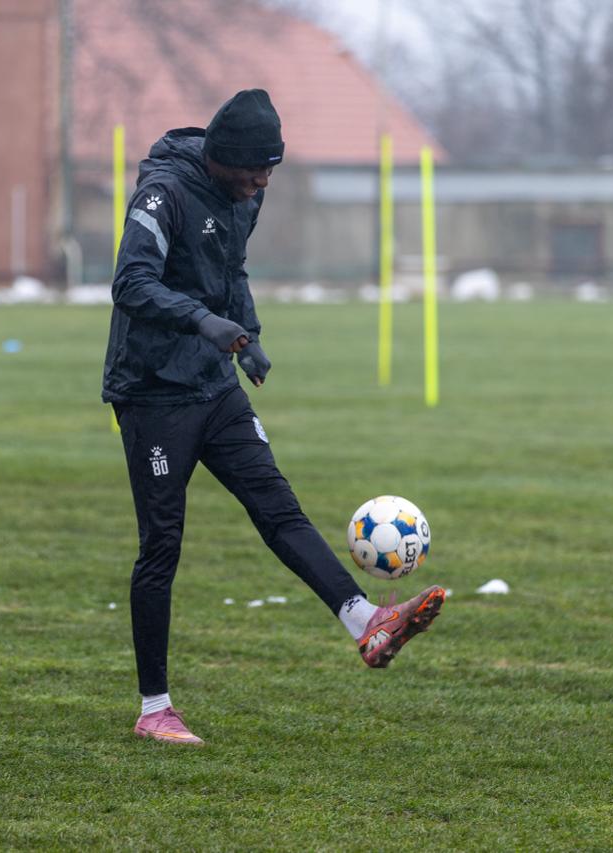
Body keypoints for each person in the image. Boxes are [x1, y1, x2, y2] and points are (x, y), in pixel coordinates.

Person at [103, 89, 446, 746]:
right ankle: (154, 709)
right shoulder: (162, 195)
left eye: (270, 169)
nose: (263, 182)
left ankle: (366, 622)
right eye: (255, 169)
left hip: (213, 385)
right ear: (221, 157)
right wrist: (204, 322)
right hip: (152, 392)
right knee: (161, 546)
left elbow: (231, 270)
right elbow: (131, 284)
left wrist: (247, 335)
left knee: (277, 506)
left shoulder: (245, 196)